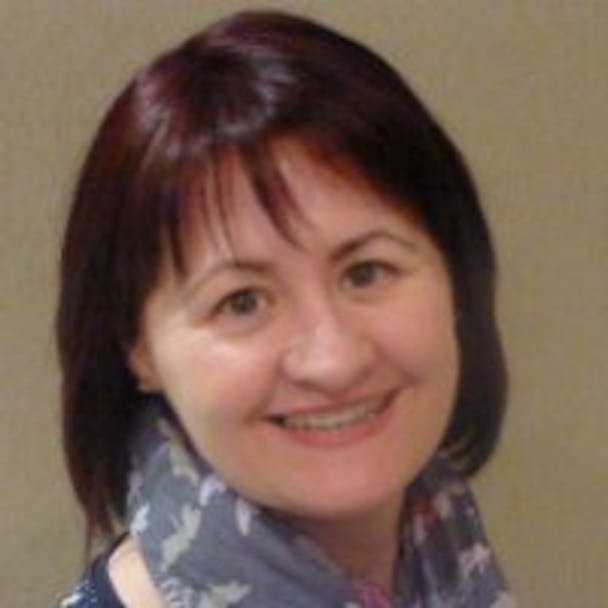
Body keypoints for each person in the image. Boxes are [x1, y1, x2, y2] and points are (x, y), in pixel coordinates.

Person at [57, 10, 513, 608]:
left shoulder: (443, 543)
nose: (333, 361)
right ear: (139, 350)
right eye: (242, 302)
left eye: (366, 272)